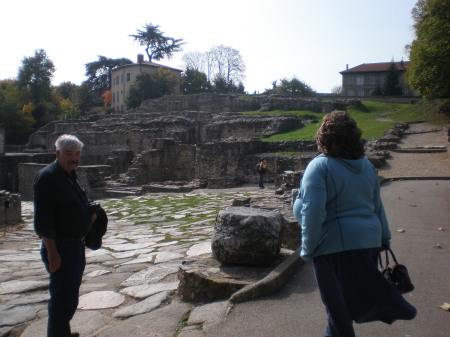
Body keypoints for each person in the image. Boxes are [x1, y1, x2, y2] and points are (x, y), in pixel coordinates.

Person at [293, 111, 416, 337]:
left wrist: (308, 249)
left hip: (332, 248)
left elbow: (313, 212)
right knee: (342, 310)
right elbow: (376, 206)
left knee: (338, 312)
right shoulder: (367, 166)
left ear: (323, 137)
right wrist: (384, 238)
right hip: (368, 242)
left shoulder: (319, 167)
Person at [34, 134, 97, 337]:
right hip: (61, 248)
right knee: (62, 300)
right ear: (58, 153)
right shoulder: (48, 177)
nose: (74, 158)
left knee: (69, 298)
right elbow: (43, 221)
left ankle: (62, 333)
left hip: (75, 246)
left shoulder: (69, 174)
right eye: (69, 154)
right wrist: (52, 252)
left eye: (77, 154)